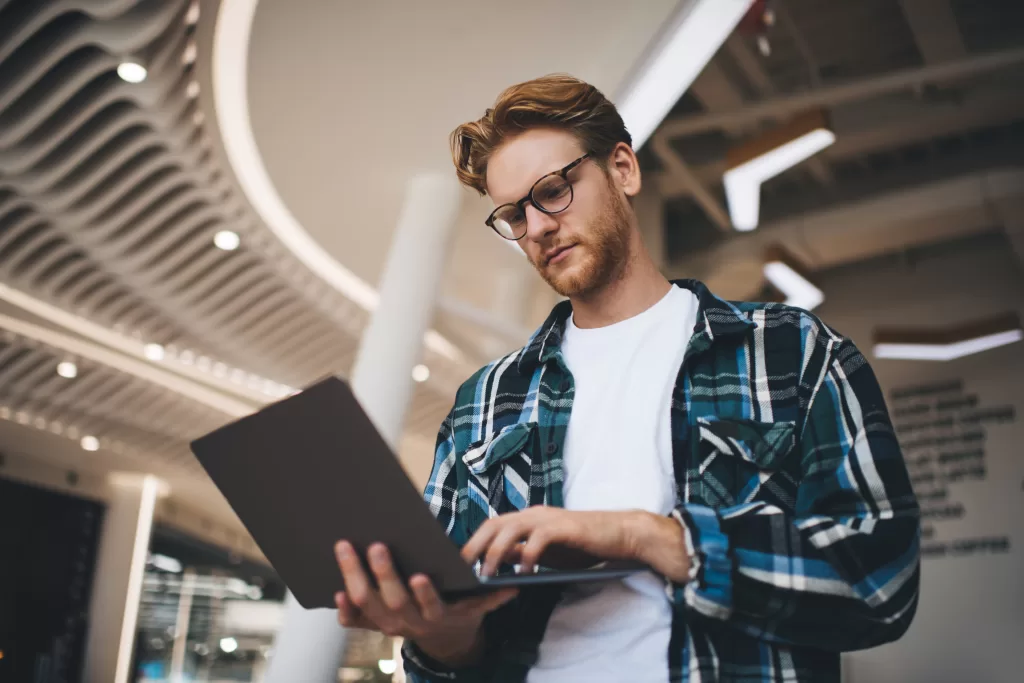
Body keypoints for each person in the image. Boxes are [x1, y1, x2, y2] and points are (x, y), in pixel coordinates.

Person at [332, 74, 920, 682]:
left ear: (623, 170)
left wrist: (644, 536)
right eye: (512, 215)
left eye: (553, 191)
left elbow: (881, 581)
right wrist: (444, 640)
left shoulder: (793, 351)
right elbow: (447, 663)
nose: (535, 228)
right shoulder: (483, 404)